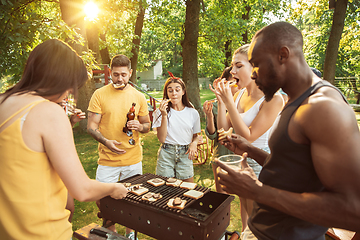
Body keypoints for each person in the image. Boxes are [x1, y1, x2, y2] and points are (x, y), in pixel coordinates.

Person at [216, 21, 360, 239]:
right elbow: (296, 171)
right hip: (261, 231)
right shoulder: (294, 99)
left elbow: (352, 209)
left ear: (283, 55)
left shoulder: (323, 107)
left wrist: (256, 191)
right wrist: (251, 150)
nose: (252, 74)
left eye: (256, 64)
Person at [0, 39, 128, 240]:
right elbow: (82, 190)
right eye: (70, 87)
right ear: (59, 78)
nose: (67, 94)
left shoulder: (3, 101)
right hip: (43, 233)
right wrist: (115, 187)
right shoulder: (48, 111)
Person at [210, 44, 284, 233]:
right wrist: (221, 102)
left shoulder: (273, 99)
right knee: (245, 223)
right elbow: (223, 130)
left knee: (257, 224)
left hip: (261, 164)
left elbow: (249, 136)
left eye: (238, 66)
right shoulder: (240, 93)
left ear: (255, 67)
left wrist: (229, 103)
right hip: (242, 160)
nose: (232, 71)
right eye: (233, 66)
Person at [87, 54, 150, 239]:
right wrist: (106, 142)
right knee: (102, 199)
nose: (119, 79)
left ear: (130, 73)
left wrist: (140, 126)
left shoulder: (138, 96)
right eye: (116, 74)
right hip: (107, 159)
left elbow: (147, 125)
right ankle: (111, 231)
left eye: (123, 74)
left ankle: (130, 233)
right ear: (110, 73)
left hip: (133, 159)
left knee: (132, 200)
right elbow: (91, 127)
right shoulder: (99, 94)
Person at [152, 73, 201, 183]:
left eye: (177, 90)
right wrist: (164, 115)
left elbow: (196, 136)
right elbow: (162, 139)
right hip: (166, 153)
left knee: (188, 189)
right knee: (166, 190)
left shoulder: (192, 113)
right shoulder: (159, 113)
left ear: (183, 92)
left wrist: (194, 143)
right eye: (170, 90)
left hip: (185, 153)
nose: (174, 93)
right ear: (167, 93)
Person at [203, 67, 239, 192]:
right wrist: (209, 116)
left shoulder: (244, 104)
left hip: (240, 155)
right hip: (222, 154)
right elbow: (213, 136)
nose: (237, 86)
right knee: (222, 196)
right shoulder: (216, 105)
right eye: (233, 82)